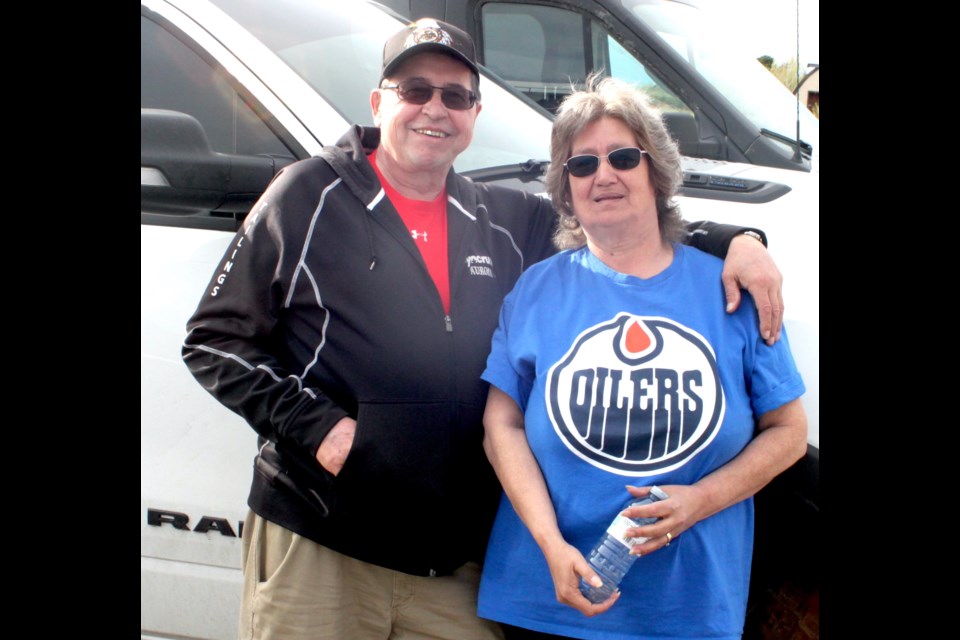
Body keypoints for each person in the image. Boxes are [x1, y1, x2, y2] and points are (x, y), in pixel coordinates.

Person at [182, 18, 788, 640]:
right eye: (414, 90)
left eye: (454, 95)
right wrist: (324, 430)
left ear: (474, 111)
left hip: (451, 561)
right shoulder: (308, 194)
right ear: (378, 102)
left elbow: (617, 213)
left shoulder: (505, 217)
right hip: (324, 537)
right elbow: (213, 340)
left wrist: (736, 241)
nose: (434, 109)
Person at [477, 75, 808, 640]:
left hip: (686, 608)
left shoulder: (731, 288)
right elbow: (499, 423)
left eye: (623, 157)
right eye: (581, 165)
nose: (603, 175)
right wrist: (551, 544)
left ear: (656, 173)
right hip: (547, 596)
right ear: (565, 187)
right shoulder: (534, 290)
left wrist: (700, 501)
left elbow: (790, 432)